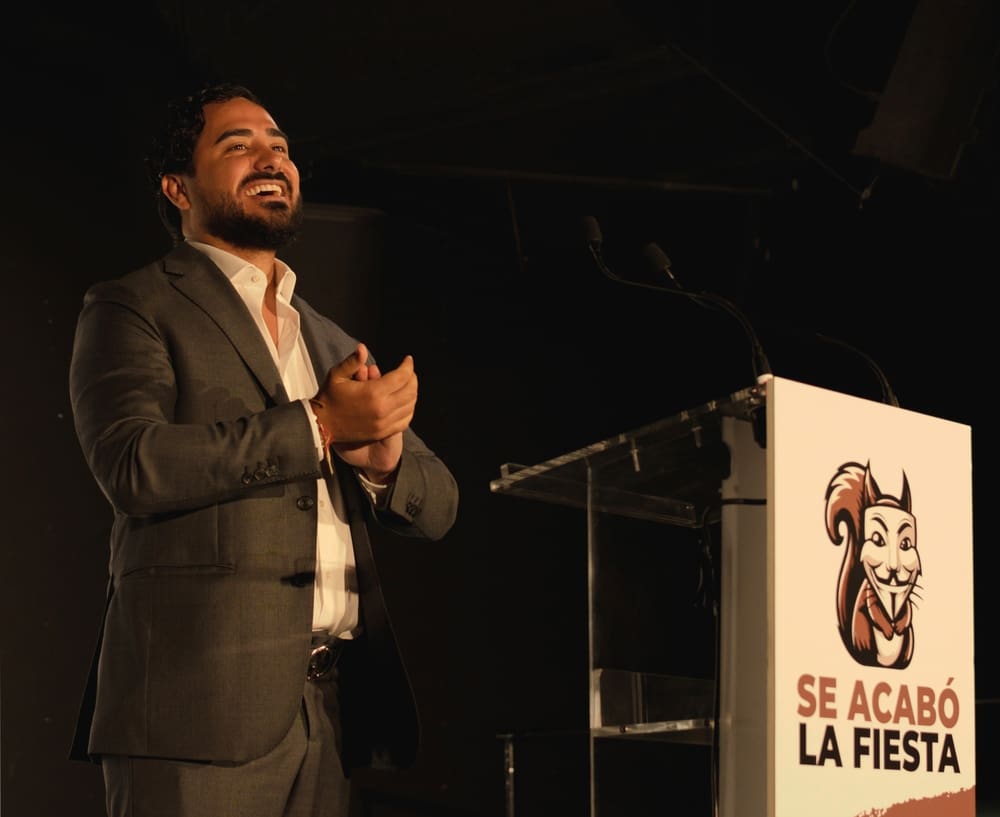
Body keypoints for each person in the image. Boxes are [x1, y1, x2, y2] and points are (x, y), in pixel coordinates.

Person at [68, 81, 459, 817]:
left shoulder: (326, 336)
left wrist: (382, 464)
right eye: (238, 144)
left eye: (279, 144)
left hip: (327, 713)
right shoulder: (133, 306)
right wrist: (318, 426)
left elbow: (439, 503)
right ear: (176, 187)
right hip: (192, 714)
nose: (270, 156)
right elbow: (134, 464)